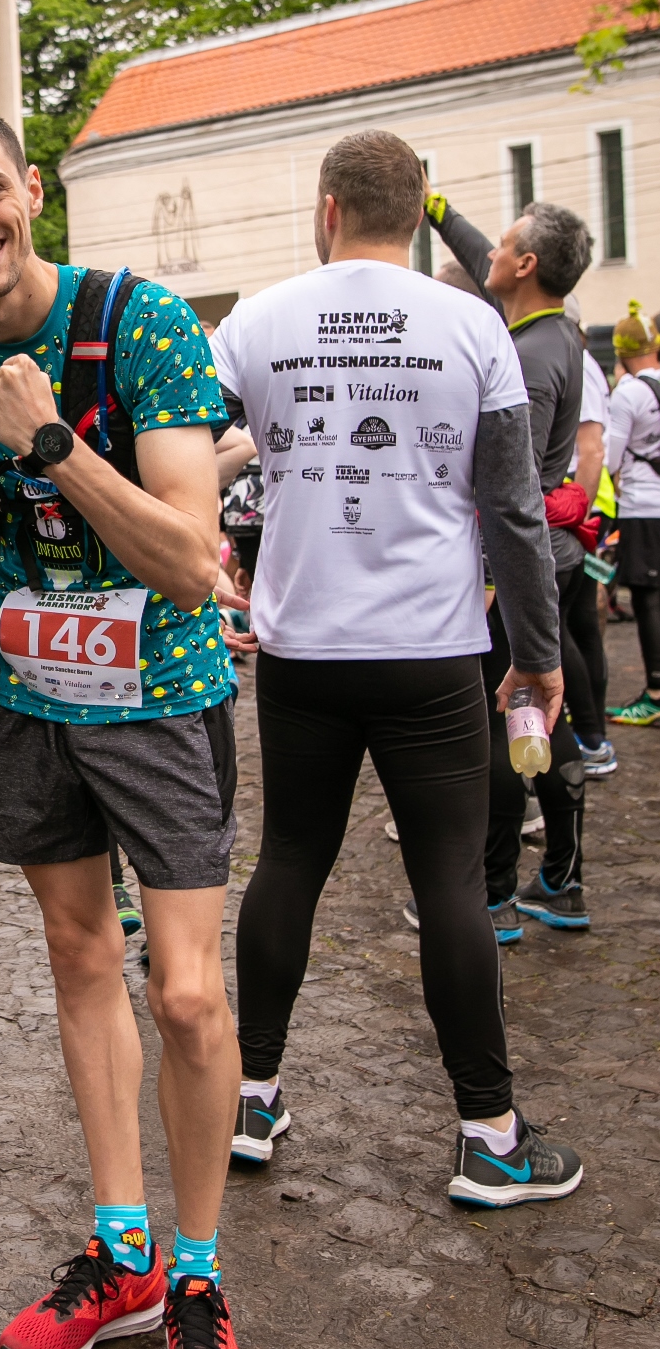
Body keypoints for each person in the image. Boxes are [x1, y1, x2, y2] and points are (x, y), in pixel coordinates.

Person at [0, 102, 251, 1349]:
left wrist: (51, 441)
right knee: (77, 963)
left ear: (31, 188)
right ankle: (123, 1251)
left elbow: (185, 559)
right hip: (29, 692)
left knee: (188, 993)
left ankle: (203, 1275)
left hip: (158, 693)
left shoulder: (138, 318)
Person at [214, 130, 581, 1209]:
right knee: (449, 880)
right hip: (430, 652)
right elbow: (513, 508)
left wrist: (204, 570)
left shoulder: (258, 318)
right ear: (420, 213)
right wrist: (538, 655)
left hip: (299, 649)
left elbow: (181, 441)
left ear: (326, 208)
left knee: (289, 858)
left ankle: (251, 1094)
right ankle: (488, 1134)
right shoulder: (473, 322)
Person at [424, 187, 594, 931]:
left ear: (524, 264)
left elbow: (508, 495)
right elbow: (480, 257)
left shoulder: (522, 360)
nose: (486, 251)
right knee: (539, 718)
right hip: (542, 561)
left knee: (499, 725)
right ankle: (560, 875)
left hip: (512, 570)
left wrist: (492, 581)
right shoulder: (556, 330)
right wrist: (433, 208)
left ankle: (493, 893)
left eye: (501, 243)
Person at [562, 295, 613, 771]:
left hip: (579, 508)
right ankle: (590, 732)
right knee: (578, 625)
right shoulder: (576, 357)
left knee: (563, 628)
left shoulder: (572, 358)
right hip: (580, 508)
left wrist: (574, 512)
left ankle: (590, 737)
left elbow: (592, 449)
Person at [604, 301, 660, 727]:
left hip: (643, 506)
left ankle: (655, 692)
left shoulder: (630, 393)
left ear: (621, 351)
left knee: (647, 599)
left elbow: (610, 458)